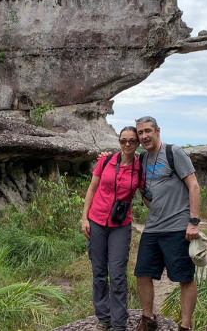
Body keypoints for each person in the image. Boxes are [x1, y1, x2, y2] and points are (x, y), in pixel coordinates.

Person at [133, 116, 201, 331]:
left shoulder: (173, 152)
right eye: (140, 133)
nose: (144, 136)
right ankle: (148, 319)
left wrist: (193, 222)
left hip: (178, 227)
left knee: (184, 277)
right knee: (142, 273)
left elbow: (194, 186)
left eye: (148, 131)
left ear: (157, 131)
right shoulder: (142, 159)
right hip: (153, 227)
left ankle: (185, 326)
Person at [81, 126, 144, 331]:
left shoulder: (139, 167)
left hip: (120, 226)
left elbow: (147, 193)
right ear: (119, 141)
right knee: (99, 272)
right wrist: (84, 218)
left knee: (117, 275)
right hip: (97, 220)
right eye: (123, 140)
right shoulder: (106, 161)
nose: (127, 144)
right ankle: (103, 317)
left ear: (137, 143)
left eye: (132, 141)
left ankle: (119, 323)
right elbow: (92, 189)